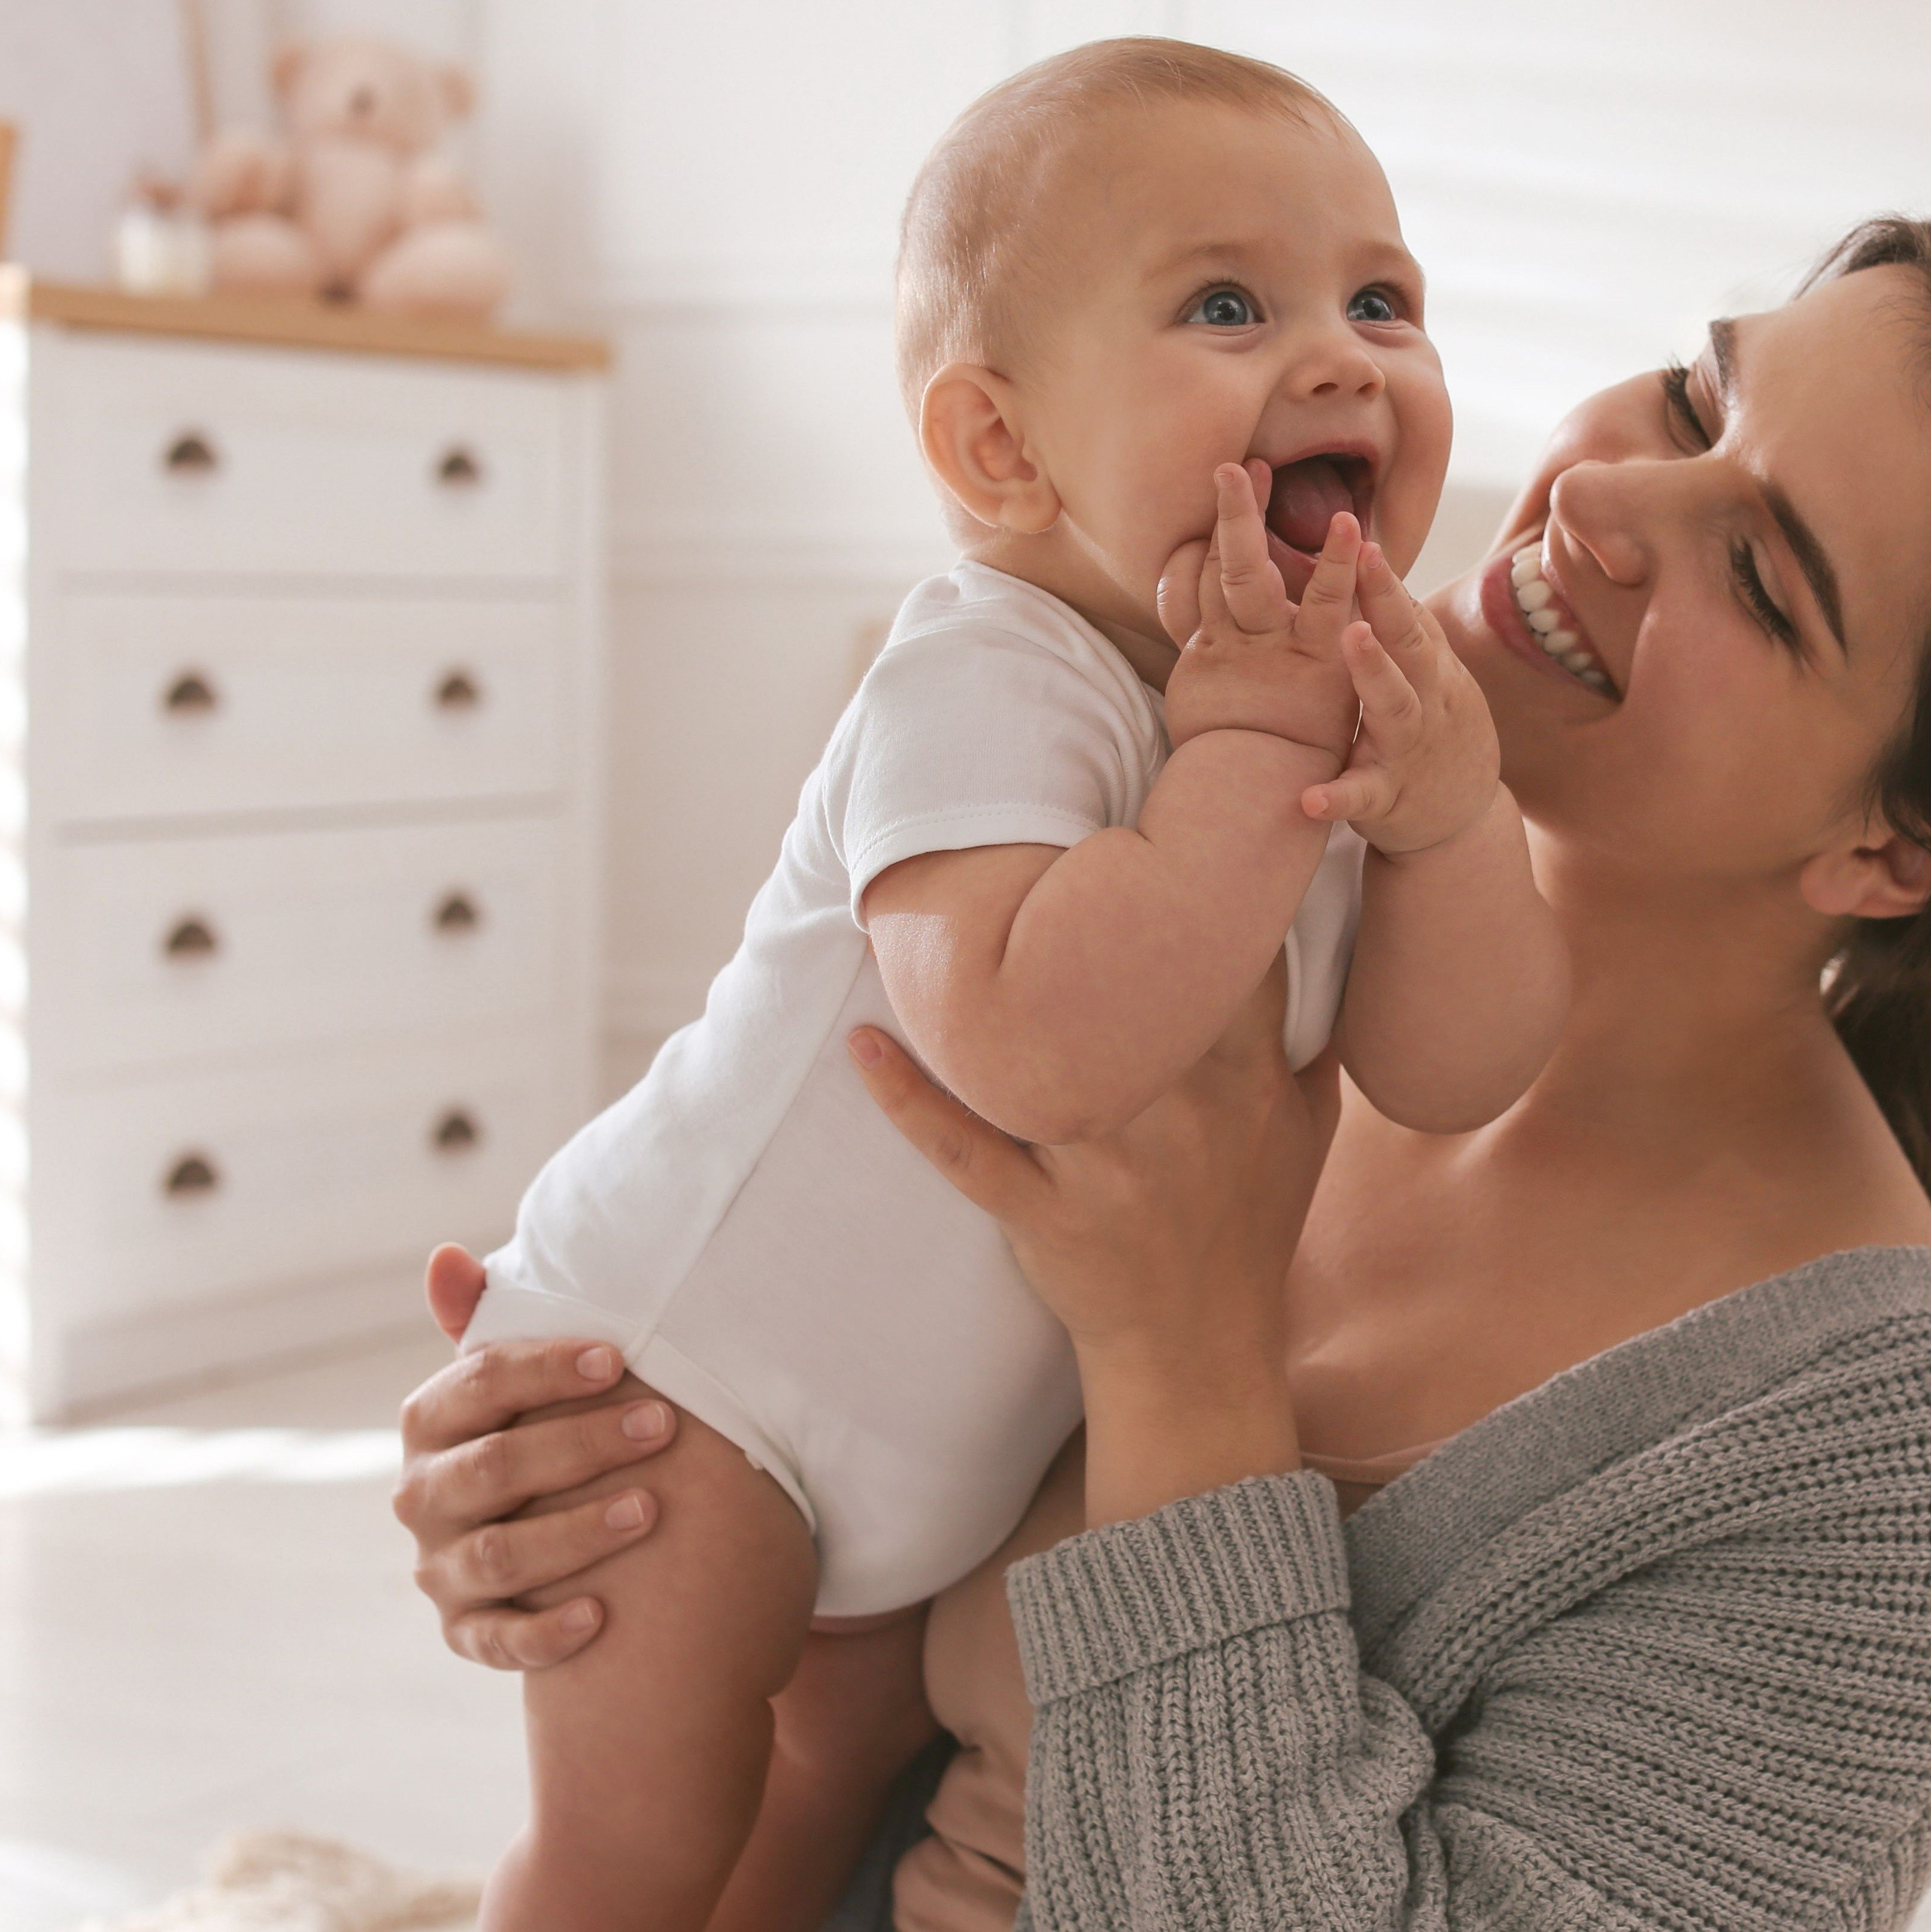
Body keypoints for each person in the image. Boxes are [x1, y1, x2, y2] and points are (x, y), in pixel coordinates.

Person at [398, 213, 1931, 1930]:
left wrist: (1183, 1365)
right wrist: (603, 1482)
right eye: (1696, 396)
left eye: (1764, 576)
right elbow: (820, 1525)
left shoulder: (1896, 1471)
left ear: (1890, 848)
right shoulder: (1201, 885)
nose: (1607, 499)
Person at [452, 39, 1566, 1932]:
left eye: (1383, 300)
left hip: (917, 1461)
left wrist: (1451, 822)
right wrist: (1245, 756)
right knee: (642, 1846)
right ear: (1002, 449)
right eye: (1229, 306)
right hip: (688, 1386)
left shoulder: (1322, 700)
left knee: (809, 1810)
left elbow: (1456, 1066)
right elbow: (1034, 1047)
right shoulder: (988, 672)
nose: (1343, 357)